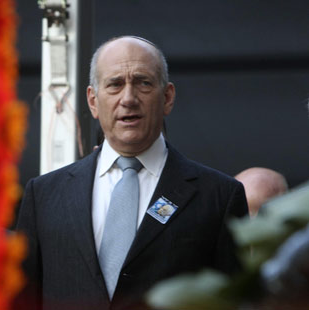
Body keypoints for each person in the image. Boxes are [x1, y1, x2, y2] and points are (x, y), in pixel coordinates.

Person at [15, 36, 248, 310]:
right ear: (92, 101)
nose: (128, 98)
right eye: (115, 84)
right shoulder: (43, 195)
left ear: (168, 97)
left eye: (143, 82)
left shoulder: (219, 196)